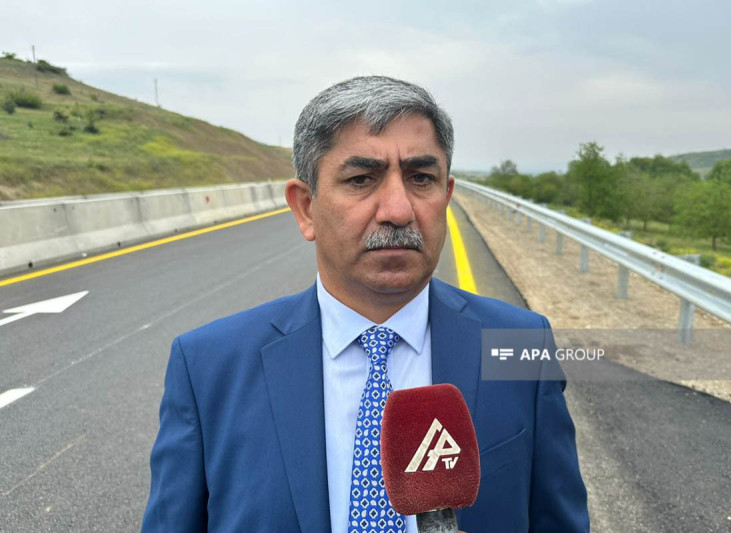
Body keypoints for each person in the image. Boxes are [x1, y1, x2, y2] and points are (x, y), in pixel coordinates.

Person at [142, 76, 589, 532]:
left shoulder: (520, 345)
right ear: (306, 208)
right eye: (361, 180)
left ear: (447, 196)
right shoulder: (209, 366)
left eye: (421, 178)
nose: (398, 210)